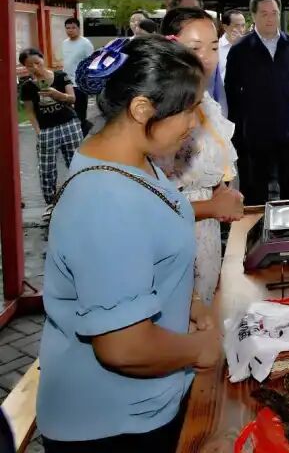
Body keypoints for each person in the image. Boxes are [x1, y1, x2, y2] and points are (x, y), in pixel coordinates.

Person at [38, 36, 221, 451]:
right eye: (188, 109)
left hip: (144, 404)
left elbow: (146, 254)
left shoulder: (129, 159)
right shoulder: (104, 200)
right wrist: (199, 348)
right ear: (142, 109)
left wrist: (186, 303)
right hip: (111, 426)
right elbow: (124, 347)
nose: (194, 122)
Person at [159, 8, 245, 305]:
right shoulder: (159, 111)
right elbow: (146, 204)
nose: (206, 58)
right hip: (172, 239)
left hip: (206, 230)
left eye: (213, 47)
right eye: (194, 48)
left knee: (205, 306)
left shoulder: (203, 100)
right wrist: (211, 205)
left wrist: (220, 190)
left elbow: (212, 163)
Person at [224, 0, 289, 205]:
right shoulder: (240, 49)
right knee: (255, 189)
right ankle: (257, 225)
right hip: (255, 132)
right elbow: (231, 90)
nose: (270, 18)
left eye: (274, 13)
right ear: (253, 16)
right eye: (264, 14)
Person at [19, 48, 83, 220]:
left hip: (69, 124)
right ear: (25, 67)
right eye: (29, 65)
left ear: (43, 59)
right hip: (46, 130)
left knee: (76, 163)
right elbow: (30, 112)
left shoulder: (61, 76)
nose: (35, 67)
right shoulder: (27, 87)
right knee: (46, 169)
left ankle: (81, 198)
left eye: (37, 62)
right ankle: (51, 203)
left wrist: (57, 94)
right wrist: (38, 131)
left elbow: (72, 98)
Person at [60, 17, 94, 135]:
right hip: (67, 82)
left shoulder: (85, 43)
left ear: (78, 28)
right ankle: (71, 133)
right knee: (67, 109)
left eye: (73, 28)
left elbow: (91, 62)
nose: (70, 30)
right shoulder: (64, 43)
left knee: (80, 110)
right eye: (68, 28)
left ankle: (82, 133)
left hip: (80, 82)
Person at [218, 9, 247, 85]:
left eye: (243, 26)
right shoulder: (216, 48)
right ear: (225, 27)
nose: (241, 30)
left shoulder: (248, 46)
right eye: (236, 26)